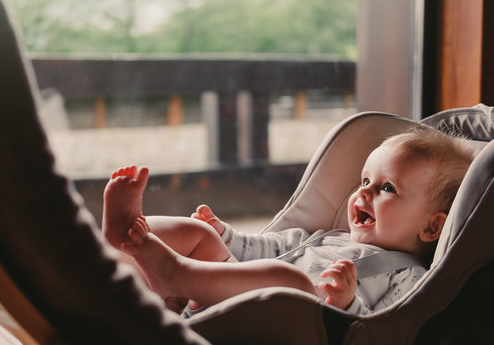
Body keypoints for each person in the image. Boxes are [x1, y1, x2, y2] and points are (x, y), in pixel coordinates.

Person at [102, 128, 473, 316]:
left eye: (386, 188)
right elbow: (266, 247)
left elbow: (383, 332)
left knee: (291, 282)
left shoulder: (411, 279)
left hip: (287, 328)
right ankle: (123, 238)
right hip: (224, 297)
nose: (363, 194)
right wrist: (224, 234)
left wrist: (347, 305)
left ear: (431, 227)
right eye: (364, 182)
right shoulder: (326, 239)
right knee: (196, 232)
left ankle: (174, 273)